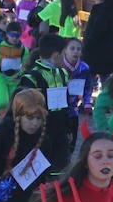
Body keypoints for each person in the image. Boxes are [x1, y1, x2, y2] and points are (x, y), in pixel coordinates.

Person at [18, 34, 75, 167]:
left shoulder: (63, 73)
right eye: (64, 54)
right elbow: (25, 109)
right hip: (40, 130)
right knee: (41, 168)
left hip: (60, 128)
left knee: (60, 167)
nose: (65, 58)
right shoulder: (31, 77)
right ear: (56, 55)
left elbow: (67, 102)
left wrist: (68, 128)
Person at [81, 0, 113, 82]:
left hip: (96, 55)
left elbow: (94, 33)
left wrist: (85, 47)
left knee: (89, 83)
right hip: (111, 55)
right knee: (106, 81)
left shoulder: (100, 12)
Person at [0, 20, 26, 112]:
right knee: (2, 101)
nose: (14, 38)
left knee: (12, 103)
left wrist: (20, 74)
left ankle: (5, 120)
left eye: (17, 36)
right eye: (12, 35)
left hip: (14, 78)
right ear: (7, 34)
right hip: (0, 76)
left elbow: (25, 65)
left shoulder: (23, 49)